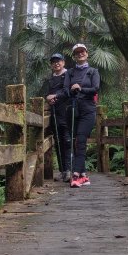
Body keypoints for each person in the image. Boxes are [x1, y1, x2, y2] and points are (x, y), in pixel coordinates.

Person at [64, 43, 100, 188]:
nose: (80, 54)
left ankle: (76, 175)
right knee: (76, 141)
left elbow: (96, 88)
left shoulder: (93, 71)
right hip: (73, 109)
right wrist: (72, 90)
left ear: (87, 53)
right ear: (74, 56)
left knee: (81, 139)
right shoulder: (70, 73)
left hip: (88, 109)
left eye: (82, 51)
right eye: (77, 52)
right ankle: (84, 175)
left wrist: (81, 89)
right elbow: (65, 89)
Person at [45, 53, 71, 182]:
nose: (56, 63)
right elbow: (48, 94)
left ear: (63, 62)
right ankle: (62, 171)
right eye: (54, 62)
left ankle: (69, 170)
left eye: (59, 61)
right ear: (51, 65)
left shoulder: (68, 75)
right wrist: (49, 99)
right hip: (54, 113)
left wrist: (54, 96)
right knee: (58, 141)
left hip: (66, 112)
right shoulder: (51, 79)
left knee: (67, 140)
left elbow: (67, 91)